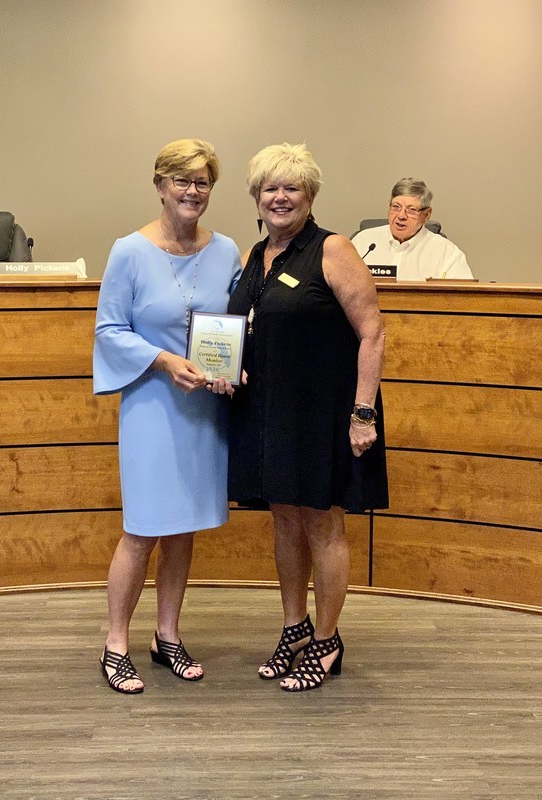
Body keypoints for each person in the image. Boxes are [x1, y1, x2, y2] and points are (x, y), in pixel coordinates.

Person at [228, 143, 388, 692]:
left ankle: (326, 638)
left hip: (323, 413)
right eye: (269, 188)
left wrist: (363, 413)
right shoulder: (253, 256)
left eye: (291, 187)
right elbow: (245, 329)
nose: (279, 197)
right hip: (268, 413)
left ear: (310, 195)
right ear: (256, 197)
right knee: (284, 521)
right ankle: (294, 627)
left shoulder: (333, 249)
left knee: (322, 522)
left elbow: (372, 332)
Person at [93, 139, 241, 694]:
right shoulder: (128, 251)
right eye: (181, 180)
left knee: (182, 529)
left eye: (202, 181)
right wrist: (163, 360)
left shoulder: (226, 250)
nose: (192, 191)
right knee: (142, 531)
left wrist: (235, 367)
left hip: (203, 410)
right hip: (152, 407)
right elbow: (110, 330)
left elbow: (238, 324)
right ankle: (115, 644)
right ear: (160, 186)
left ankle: (167, 636)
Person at [351, 177, 474, 280]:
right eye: (396, 207)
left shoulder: (446, 252)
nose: (401, 216)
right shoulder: (362, 242)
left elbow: (461, 296)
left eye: (411, 210)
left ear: (426, 214)